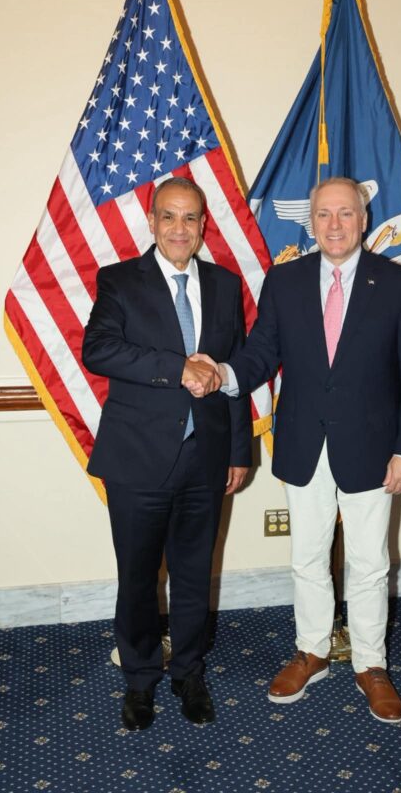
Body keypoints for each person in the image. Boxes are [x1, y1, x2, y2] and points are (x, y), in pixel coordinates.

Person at [186, 177, 401, 723]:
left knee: (369, 562)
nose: (334, 224)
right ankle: (312, 651)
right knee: (306, 557)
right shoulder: (286, 280)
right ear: (312, 223)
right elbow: (261, 353)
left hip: (374, 449)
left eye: (345, 213)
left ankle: (371, 664)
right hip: (304, 444)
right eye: (323, 214)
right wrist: (223, 372)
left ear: (363, 220)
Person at [82, 177, 251, 731]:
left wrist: (239, 450)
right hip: (137, 458)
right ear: (152, 222)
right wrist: (177, 368)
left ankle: (188, 673)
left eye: (191, 218)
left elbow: (234, 375)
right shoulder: (119, 280)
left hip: (207, 457)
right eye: (170, 217)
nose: (181, 228)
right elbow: (98, 350)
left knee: (194, 574)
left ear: (203, 225)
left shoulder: (225, 285)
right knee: (137, 578)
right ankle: (139, 679)